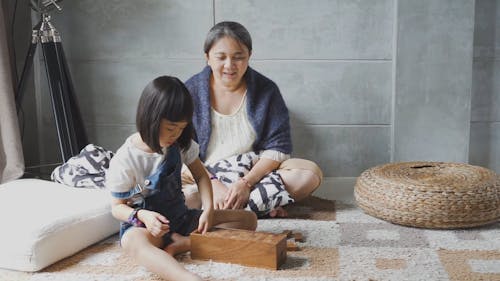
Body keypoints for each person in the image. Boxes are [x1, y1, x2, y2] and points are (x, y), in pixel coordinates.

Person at [106, 76, 257, 281]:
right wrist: (143, 216)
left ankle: (184, 243)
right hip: (148, 227)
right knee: (133, 243)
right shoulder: (125, 159)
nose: (175, 135)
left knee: (248, 220)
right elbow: (117, 207)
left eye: (181, 129)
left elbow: (202, 176)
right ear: (151, 119)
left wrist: (209, 210)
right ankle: (187, 277)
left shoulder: (180, 144)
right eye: (170, 129)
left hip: (180, 218)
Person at [183, 21, 323, 218]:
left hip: (255, 173)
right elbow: (182, 147)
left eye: (238, 57)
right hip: (204, 174)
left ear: (249, 56)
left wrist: (246, 183)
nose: (229, 65)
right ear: (207, 57)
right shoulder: (189, 92)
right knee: (172, 196)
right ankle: (258, 207)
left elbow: (279, 148)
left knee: (309, 174)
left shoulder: (267, 90)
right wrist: (212, 183)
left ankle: (223, 210)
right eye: (221, 57)